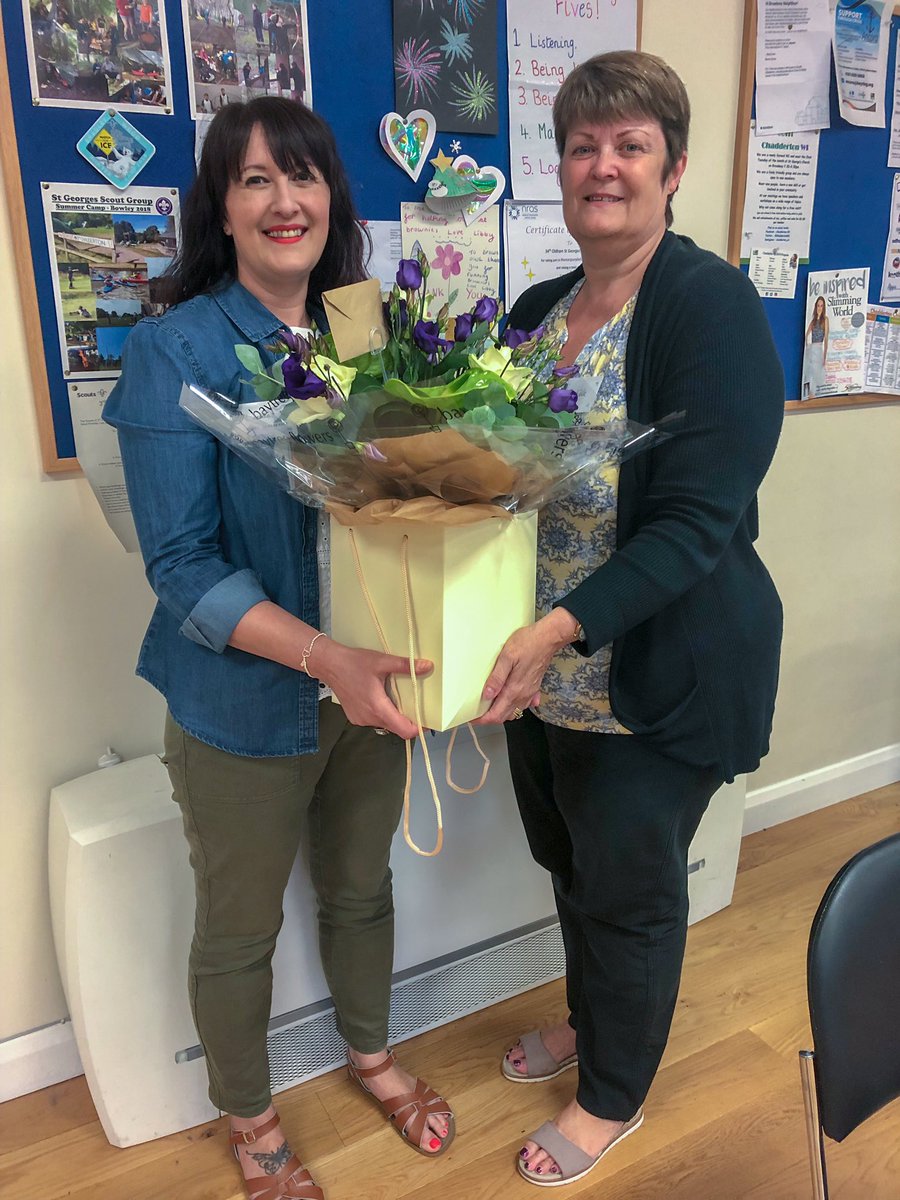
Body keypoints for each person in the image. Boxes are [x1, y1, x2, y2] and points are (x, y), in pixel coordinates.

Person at [103, 97, 454, 1200]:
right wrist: (324, 661)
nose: (283, 200)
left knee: (361, 888)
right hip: (242, 703)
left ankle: (371, 1054)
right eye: (254, 180)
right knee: (240, 927)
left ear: (330, 196)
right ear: (222, 204)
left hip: (372, 687)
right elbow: (183, 567)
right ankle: (250, 1118)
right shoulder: (178, 347)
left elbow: (411, 506)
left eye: (300, 176)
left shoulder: (365, 333)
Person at [476, 51, 784, 1188]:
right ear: (560, 168)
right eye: (582, 146)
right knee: (571, 866)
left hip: (658, 667)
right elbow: (486, 480)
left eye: (630, 145)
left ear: (674, 170)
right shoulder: (532, 312)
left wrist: (559, 629)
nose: (602, 166)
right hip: (539, 671)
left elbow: (698, 524)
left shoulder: (708, 307)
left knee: (633, 888)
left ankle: (611, 1095)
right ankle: (588, 1017)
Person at [801, 294, 828, 399]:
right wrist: (808, 345)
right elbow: (806, 334)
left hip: (819, 348)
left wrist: (825, 356)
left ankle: (814, 393)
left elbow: (826, 339)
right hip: (812, 348)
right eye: (818, 305)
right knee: (810, 371)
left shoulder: (825, 320)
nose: (819, 308)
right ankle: (809, 393)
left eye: (821, 306)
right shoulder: (813, 321)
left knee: (817, 372)